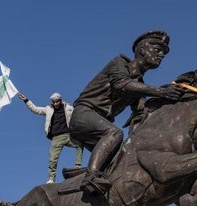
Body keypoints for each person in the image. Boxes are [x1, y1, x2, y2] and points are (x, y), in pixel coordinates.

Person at [69, 30, 185, 194]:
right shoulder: (119, 63)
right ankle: (91, 177)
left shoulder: (140, 84)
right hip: (83, 114)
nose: (161, 55)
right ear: (142, 50)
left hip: (100, 125)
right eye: (157, 49)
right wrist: (159, 91)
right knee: (114, 133)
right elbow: (121, 84)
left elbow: (141, 111)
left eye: (163, 53)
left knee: (123, 156)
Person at [18, 92, 83, 184]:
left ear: (60, 101)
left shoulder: (68, 108)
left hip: (68, 135)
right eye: (54, 102)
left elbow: (78, 112)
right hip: (56, 137)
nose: (55, 104)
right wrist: (25, 100)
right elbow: (36, 109)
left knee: (80, 144)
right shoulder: (48, 109)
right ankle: (51, 178)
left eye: (57, 102)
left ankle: (77, 165)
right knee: (52, 159)